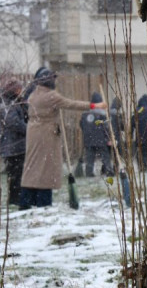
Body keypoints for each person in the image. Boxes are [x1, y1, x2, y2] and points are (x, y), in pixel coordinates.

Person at [20, 67, 107, 209]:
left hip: (33, 132)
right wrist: (94, 105)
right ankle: (43, 202)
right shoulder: (51, 96)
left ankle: (27, 200)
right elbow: (71, 104)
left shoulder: (33, 94)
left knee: (33, 167)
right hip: (45, 134)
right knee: (45, 169)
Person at [0, 79, 29, 207]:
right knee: (15, 174)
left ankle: (19, 198)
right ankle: (15, 200)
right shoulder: (6, 104)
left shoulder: (16, 102)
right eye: (19, 89)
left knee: (20, 173)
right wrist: (29, 129)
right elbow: (13, 122)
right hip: (12, 145)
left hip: (18, 144)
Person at [79, 92, 115, 177]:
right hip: (101, 140)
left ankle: (89, 173)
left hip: (89, 140)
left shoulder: (85, 114)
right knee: (105, 157)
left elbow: (81, 125)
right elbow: (106, 127)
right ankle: (109, 172)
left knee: (89, 158)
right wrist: (109, 138)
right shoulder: (103, 114)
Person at [132, 94, 147, 171]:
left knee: (140, 152)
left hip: (139, 137)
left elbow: (132, 123)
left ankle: (143, 167)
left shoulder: (137, 111)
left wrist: (130, 135)